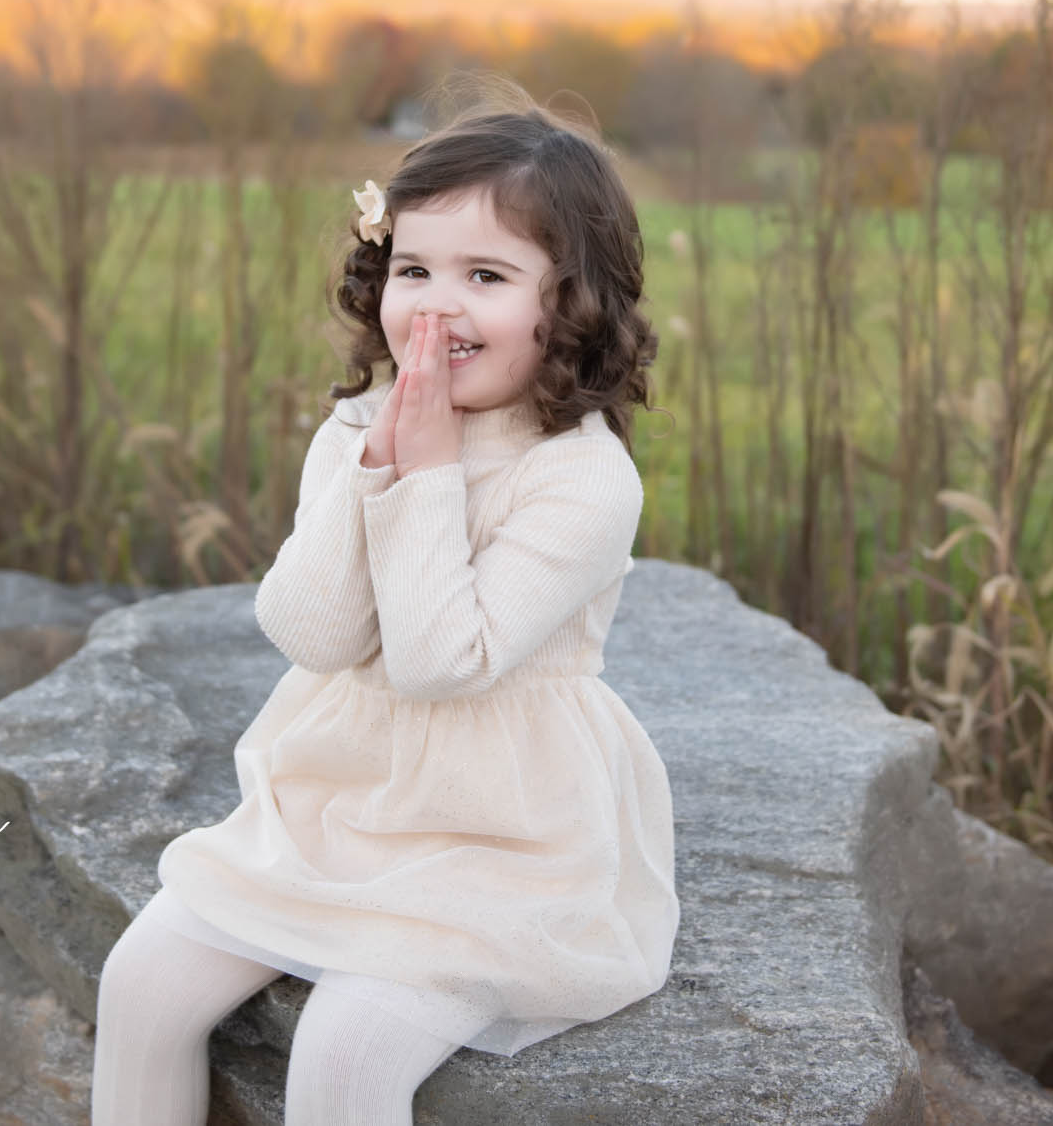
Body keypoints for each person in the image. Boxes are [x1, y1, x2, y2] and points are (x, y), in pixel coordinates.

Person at [90, 73, 679, 1126]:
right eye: (413, 267)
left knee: (347, 1053)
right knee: (138, 984)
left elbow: (435, 662)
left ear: (570, 302)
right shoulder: (358, 425)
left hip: (498, 833)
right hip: (338, 798)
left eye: (486, 274)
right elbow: (311, 632)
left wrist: (429, 477)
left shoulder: (581, 478)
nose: (435, 304)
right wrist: (375, 463)